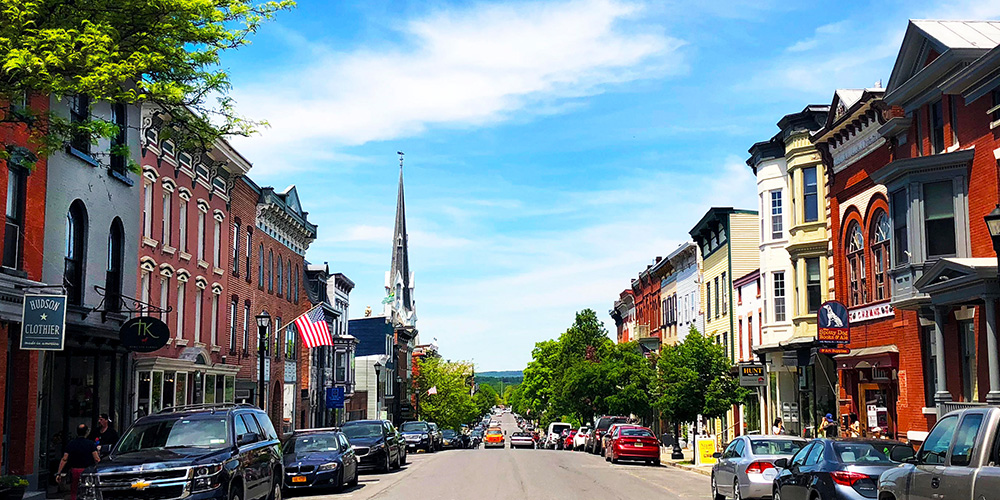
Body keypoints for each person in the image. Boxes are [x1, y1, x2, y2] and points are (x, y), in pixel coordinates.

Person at [56, 424, 100, 500]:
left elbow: (64, 459)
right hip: (87, 471)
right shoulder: (90, 444)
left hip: (74, 471)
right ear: (87, 432)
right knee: (88, 491)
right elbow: (96, 459)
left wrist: (59, 473)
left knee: (74, 490)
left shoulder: (71, 443)